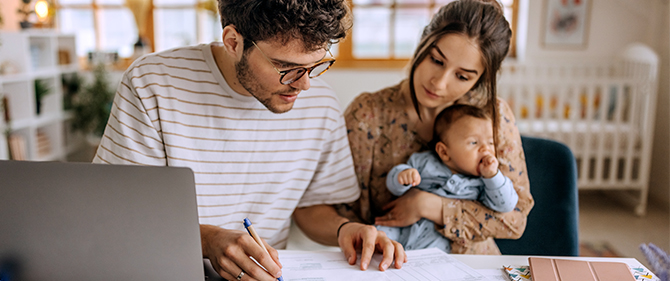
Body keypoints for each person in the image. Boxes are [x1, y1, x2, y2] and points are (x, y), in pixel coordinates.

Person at [93, 1, 406, 280]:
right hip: (161, 270)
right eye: (286, 67)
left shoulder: (321, 102)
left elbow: (311, 207)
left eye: (315, 65)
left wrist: (343, 229)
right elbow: (120, 216)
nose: (305, 85)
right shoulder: (153, 83)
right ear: (233, 42)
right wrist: (207, 240)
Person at [337, 0, 535, 254]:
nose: (439, 83)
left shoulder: (494, 116)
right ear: (423, 40)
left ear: (481, 79)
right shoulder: (368, 115)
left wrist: (428, 205)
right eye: (436, 60)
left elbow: (514, 219)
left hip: (473, 268)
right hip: (389, 264)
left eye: (462, 76)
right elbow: (335, 211)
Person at [378, 104, 519, 252]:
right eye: (474, 142)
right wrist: (402, 176)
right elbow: (394, 188)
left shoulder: (484, 183)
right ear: (444, 152)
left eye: (491, 143)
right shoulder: (425, 162)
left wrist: (492, 176)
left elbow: (506, 205)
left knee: (433, 257)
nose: (486, 149)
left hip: (437, 237)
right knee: (380, 234)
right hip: (403, 227)